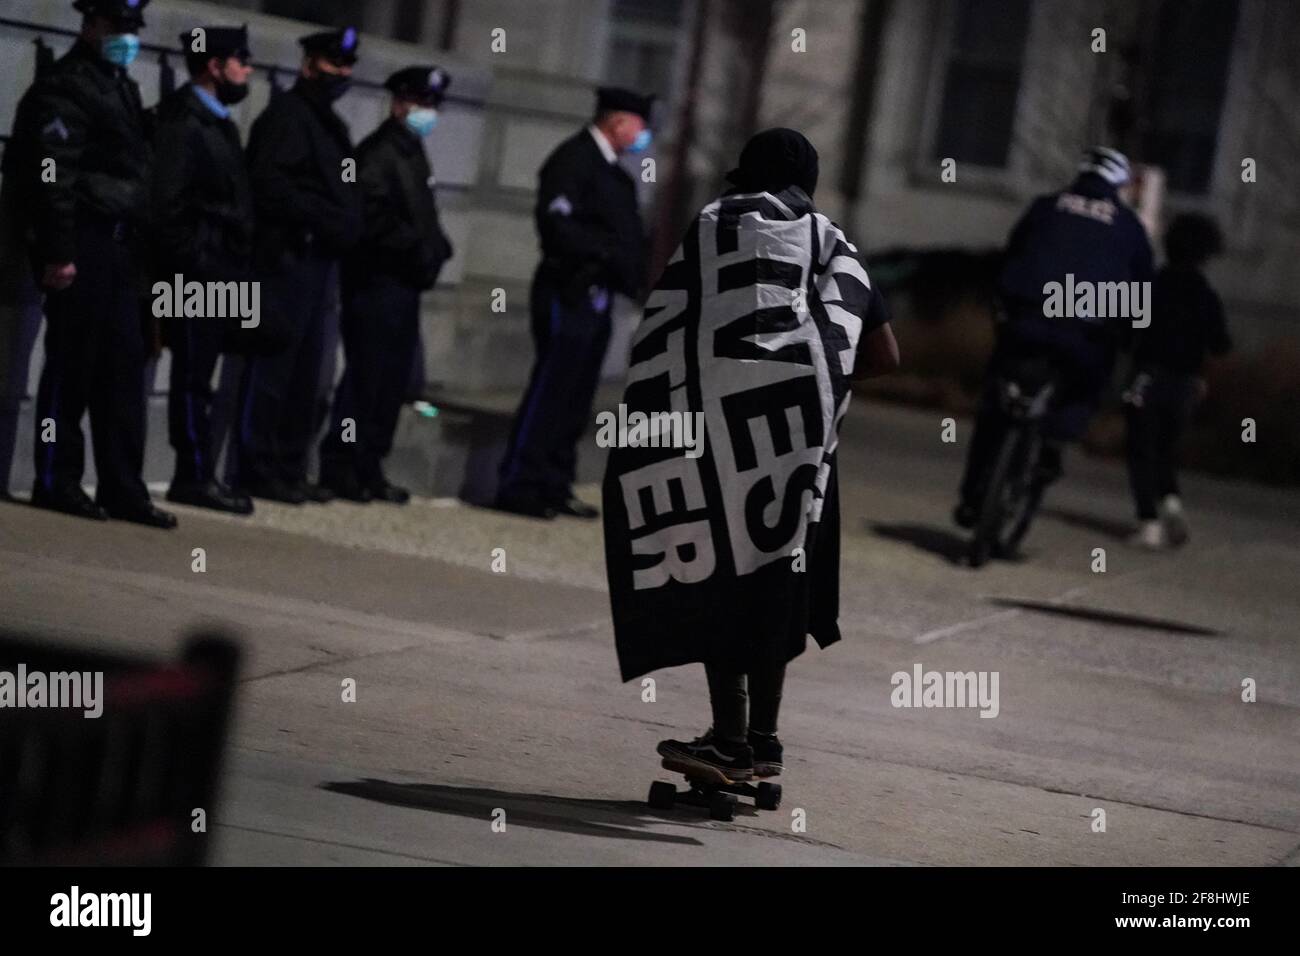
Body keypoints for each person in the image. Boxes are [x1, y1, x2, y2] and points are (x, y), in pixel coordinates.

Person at [603, 129, 899, 781]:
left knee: (722, 576)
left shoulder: (713, 227)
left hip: (716, 446)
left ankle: (728, 740)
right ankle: (762, 741)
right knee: (777, 582)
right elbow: (884, 356)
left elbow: (668, 326)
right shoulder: (832, 244)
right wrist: (814, 383)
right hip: (801, 453)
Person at [5, 0, 176, 528]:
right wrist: (58, 252)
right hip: (84, 243)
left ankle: (121, 485)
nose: (128, 37)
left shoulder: (115, 84)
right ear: (93, 25)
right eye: (119, 26)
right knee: (69, 371)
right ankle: (55, 475)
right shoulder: (68, 86)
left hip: (121, 250)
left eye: (132, 28)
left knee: (124, 370)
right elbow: (53, 175)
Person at [954, 146, 1155, 528]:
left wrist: (1004, 304)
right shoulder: (1129, 226)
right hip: (1086, 332)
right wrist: (1131, 335)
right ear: (1119, 184)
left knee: (996, 405)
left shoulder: (1045, 206)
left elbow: (1012, 254)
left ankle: (972, 498)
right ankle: (1054, 441)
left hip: (1026, 322)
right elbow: (1142, 289)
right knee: (1087, 386)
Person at [496, 86, 654, 520]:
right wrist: (602, 254)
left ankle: (553, 482)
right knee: (552, 389)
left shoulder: (612, 171)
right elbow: (557, 225)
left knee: (577, 397)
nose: (643, 137)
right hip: (569, 292)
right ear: (618, 121)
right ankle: (520, 483)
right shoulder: (574, 160)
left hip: (599, 298)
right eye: (639, 125)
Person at [233, 27, 362, 505]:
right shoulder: (287, 118)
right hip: (287, 261)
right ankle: (258, 468)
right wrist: (325, 217)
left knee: (308, 375)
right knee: (274, 370)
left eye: (347, 66)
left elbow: (346, 188)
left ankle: (288, 466)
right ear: (310, 64)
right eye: (334, 64)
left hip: (319, 264)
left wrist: (346, 221)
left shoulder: (331, 125)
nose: (342, 74)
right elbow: (269, 186)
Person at [318, 66, 454, 504]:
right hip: (376, 283)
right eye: (421, 102)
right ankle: (342, 464)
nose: (427, 112)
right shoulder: (378, 152)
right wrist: (419, 249)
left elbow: (420, 214)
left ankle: (369, 465)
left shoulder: (411, 151)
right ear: (399, 103)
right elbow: (373, 218)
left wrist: (437, 248)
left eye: (433, 104)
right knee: (366, 380)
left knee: (391, 382)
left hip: (402, 286)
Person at [152, 24, 256, 515]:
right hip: (198, 274)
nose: (247, 69)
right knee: (192, 378)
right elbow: (169, 205)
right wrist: (195, 263)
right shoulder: (183, 120)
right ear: (214, 66)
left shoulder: (219, 122)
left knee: (205, 376)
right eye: (240, 59)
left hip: (222, 271)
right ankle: (192, 475)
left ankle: (199, 472)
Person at [1124, 213, 1230, 549]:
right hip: (1186, 385)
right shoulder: (1206, 296)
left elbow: (1128, 330)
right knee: (1166, 450)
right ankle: (1171, 502)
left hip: (1148, 376)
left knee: (1141, 450)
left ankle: (1148, 522)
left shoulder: (1152, 285)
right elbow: (1221, 344)